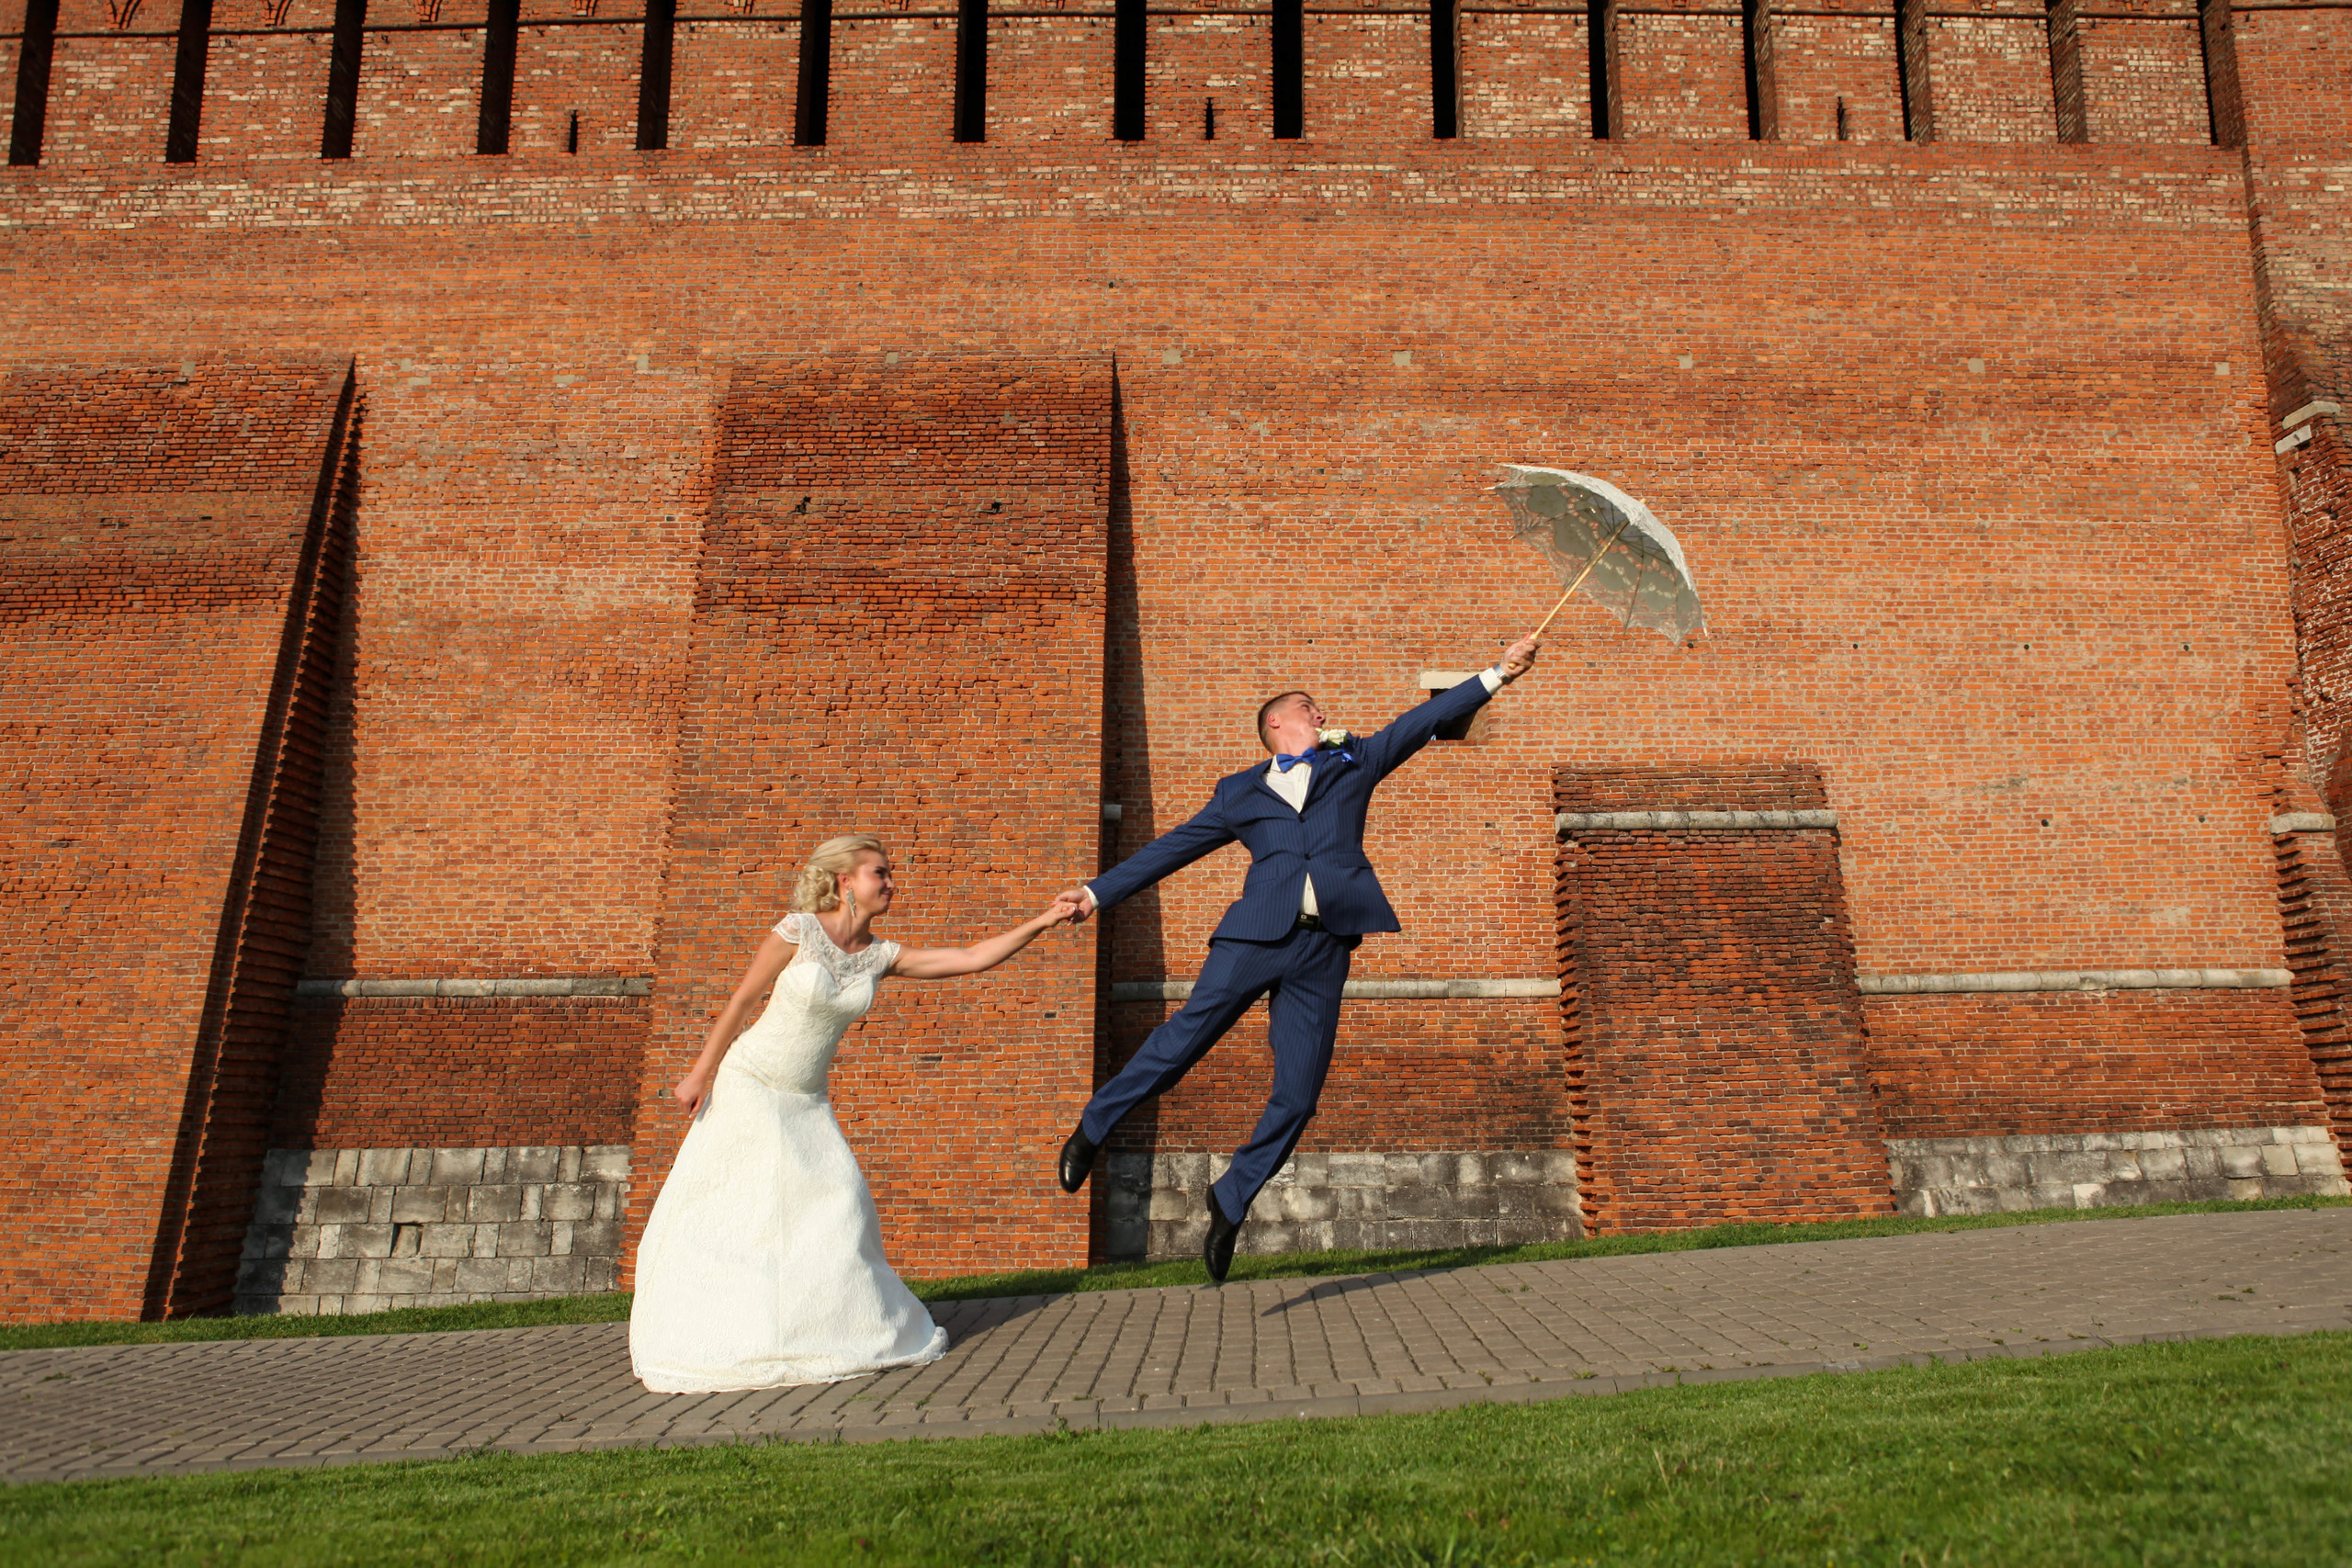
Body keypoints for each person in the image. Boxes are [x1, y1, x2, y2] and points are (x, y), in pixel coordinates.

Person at [1053, 633, 1545, 1282]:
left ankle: (1231, 1196)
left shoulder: (1355, 760)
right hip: (1254, 936)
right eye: (1310, 708)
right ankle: (1096, 1123)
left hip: (1323, 947)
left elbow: (1419, 721)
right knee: (1183, 1041)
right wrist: (1095, 892)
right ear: (1278, 723)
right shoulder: (1239, 792)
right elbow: (1170, 848)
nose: (1323, 714)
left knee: (1299, 1093)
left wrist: (1498, 674)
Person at [630, 833, 1080, 1393]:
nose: (891, 883)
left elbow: (968, 958)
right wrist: (699, 1072)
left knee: (840, 1202)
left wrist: (1042, 921)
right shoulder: (797, 931)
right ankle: (728, 1330)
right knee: (749, 1211)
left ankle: (819, 1330)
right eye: (880, 873)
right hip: (751, 1081)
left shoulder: (879, 955)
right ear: (846, 882)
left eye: (889, 874)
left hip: (806, 1097)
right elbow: (742, 1001)